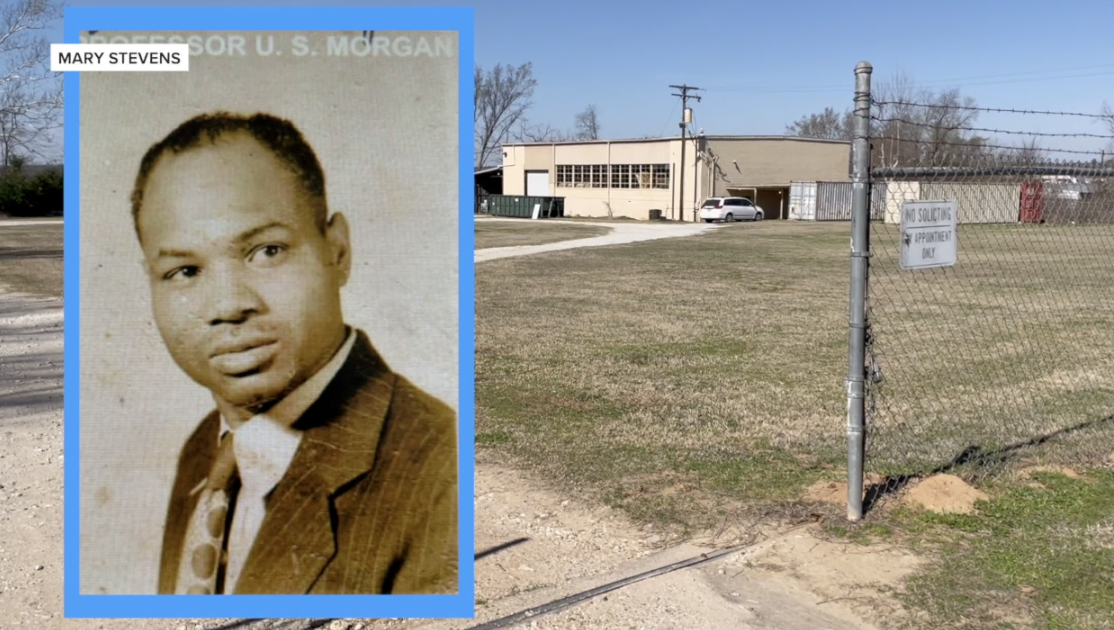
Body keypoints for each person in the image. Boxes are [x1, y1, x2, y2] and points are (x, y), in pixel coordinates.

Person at [128, 111, 458, 595]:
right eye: (185, 271)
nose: (227, 306)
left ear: (337, 251)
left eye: (267, 251)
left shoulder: (437, 472)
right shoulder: (210, 449)